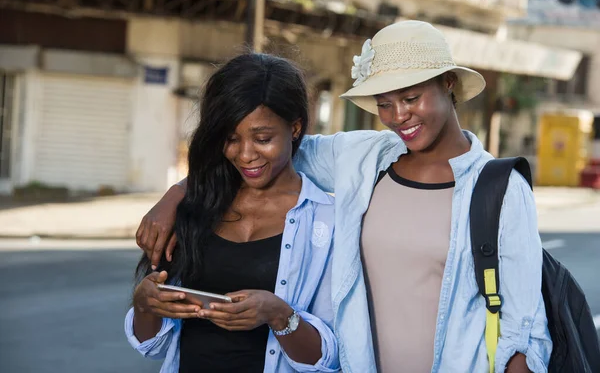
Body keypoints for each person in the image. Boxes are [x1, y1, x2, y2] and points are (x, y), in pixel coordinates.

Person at [136, 21, 552, 372]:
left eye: (411, 98)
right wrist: (176, 193)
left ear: (448, 84)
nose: (399, 116)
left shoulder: (499, 186)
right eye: (385, 104)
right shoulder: (365, 159)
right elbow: (261, 153)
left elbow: (523, 324)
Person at [125, 53, 340, 373]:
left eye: (263, 138)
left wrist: (279, 314)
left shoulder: (327, 221)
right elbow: (153, 345)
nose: (245, 154)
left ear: (295, 128)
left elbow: (329, 358)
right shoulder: (193, 207)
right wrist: (145, 305)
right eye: (230, 139)